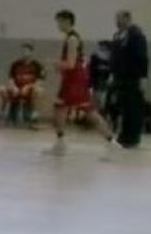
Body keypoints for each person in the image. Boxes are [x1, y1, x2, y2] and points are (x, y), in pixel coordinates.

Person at [47, 10, 120, 158]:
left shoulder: (72, 39)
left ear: (67, 21)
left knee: (85, 111)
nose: (58, 25)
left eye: (59, 21)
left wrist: (54, 63)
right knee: (64, 108)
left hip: (75, 79)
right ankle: (110, 141)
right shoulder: (70, 37)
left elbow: (71, 63)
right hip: (73, 78)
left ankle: (110, 141)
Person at [109, 10, 150, 148]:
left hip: (133, 76)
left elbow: (142, 59)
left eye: (120, 19)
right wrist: (112, 74)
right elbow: (114, 57)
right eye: (116, 19)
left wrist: (143, 77)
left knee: (134, 107)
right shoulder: (117, 36)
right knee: (124, 106)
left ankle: (133, 137)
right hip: (119, 76)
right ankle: (124, 135)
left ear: (128, 19)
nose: (117, 22)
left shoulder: (137, 36)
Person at [0, 42, 45, 129]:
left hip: (29, 91)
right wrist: (14, 87)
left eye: (27, 51)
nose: (24, 53)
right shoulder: (15, 64)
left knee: (39, 91)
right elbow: (10, 80)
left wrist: (28, 87)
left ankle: (34, 118)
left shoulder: (37, 65)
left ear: (31, 52)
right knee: (0, 89)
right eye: (23, 51)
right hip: (16, 90)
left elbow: (39, 82)